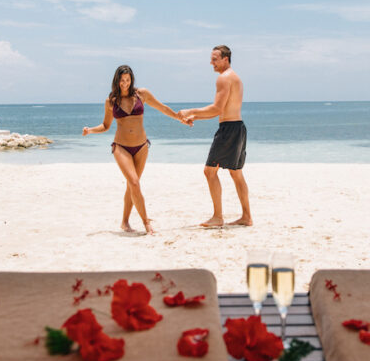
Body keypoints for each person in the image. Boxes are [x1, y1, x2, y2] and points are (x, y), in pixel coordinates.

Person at [83, 65, 189, 234]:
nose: (125, 83)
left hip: (141, 147)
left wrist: (179, 118)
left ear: (131, 80)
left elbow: (162, 108)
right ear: (116, 81)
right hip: (121, 147)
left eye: (128, 80)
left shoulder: (142, 94)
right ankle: (146, 223)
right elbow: (105, 125)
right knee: (134, 183)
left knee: (132, 186)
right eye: (122, 80)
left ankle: (124, 222)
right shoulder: (111, 101)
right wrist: (90, 130)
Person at [179, 45, 252, 227]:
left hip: (228, 129)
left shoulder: (223, 78)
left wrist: (190, 110)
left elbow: (216, 109)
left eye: (214, 59)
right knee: (236, 173)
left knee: (209, 171)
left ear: (225, 59)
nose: (211, 62)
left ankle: (218, 217)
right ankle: (246, 216)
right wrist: (195, 116)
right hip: (238, 127)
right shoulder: (235, 77)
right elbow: (221, 109)